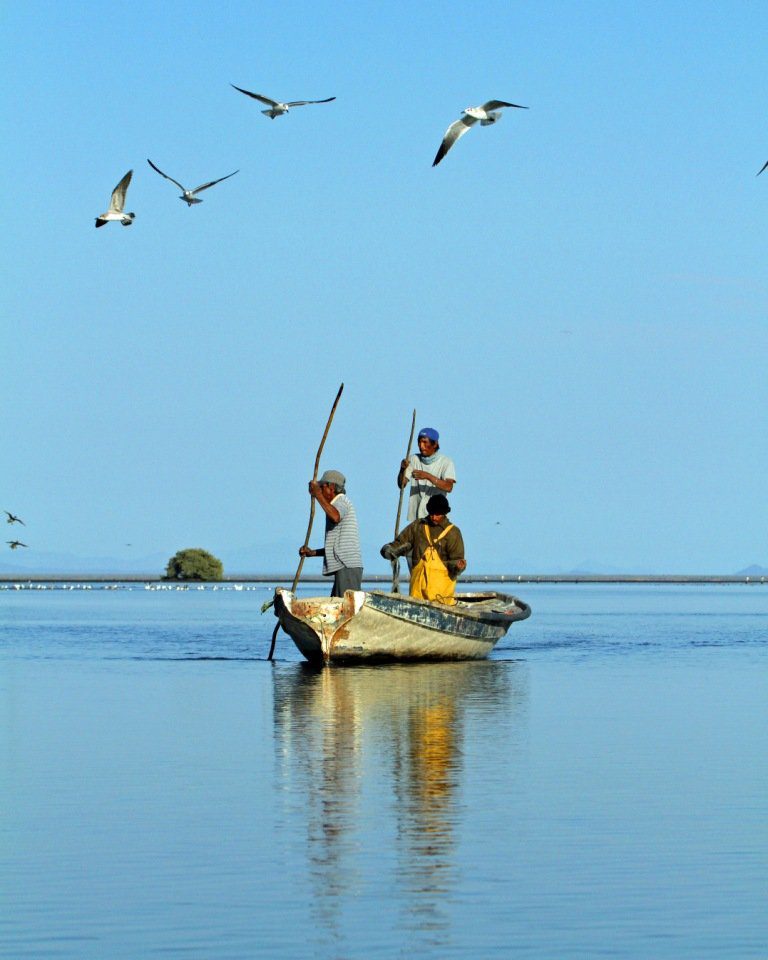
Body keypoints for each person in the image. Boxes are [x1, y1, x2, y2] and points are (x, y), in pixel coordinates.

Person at [380, 494, 466, 605]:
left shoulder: (453, 533)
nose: (434, 517)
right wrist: (388, 550)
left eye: (438, 514)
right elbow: (400, 544)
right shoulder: (418, 526)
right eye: (432, 513)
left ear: (445, 513)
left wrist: (458, 566)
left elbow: (456, 560)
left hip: (441, 597)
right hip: (417, 593)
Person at [299, 470, 363, 597]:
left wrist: (317, 495)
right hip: (343, 566)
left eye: (322, 487)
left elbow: (335, 516)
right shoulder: (334, 505)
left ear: (332, 487)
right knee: (337, 605)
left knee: (344, 607)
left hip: (347, 565)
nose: (321, 490)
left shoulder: (341, 502)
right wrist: (312, 553)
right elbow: (335, 547)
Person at [397, 427, 456, 523]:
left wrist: (428, 476)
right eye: (419, 442)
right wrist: (402, 469)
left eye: (425, 442)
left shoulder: (446, 462)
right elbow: (402, 484)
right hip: (417, 519)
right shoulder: (413, 459)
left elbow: (449, 487)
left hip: (436, 518)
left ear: (435, 444)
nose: (421, 446)